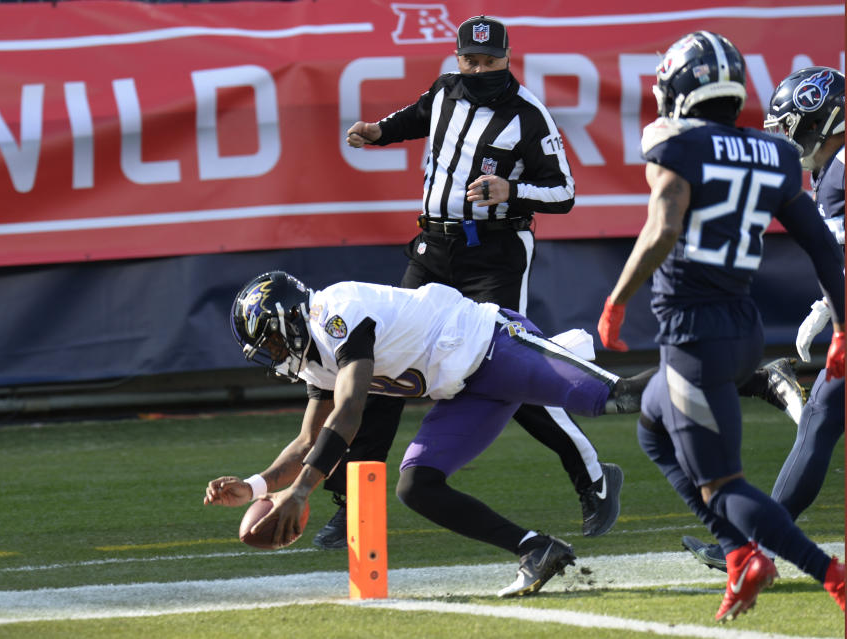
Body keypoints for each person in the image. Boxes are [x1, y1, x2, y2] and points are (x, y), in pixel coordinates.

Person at [327, 13, 623, 551]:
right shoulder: (445, 89)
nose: (479, 69)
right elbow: (418, 115)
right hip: (433, 247)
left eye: (490, 61)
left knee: (509, 370)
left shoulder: (529, 114)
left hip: (494, 253)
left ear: (508, 58)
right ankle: (353, 502)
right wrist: (380, 132)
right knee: (382, 366)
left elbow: (565, 193)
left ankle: (591, 474)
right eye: (470, 59)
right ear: (457, 56)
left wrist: (511, 190)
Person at [596, 32, 845, 622]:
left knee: (722, 483)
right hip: (742, 329)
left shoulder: (674, 142)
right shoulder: (776, 156)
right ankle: (738, 552)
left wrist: (615, 301)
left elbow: (661, 228)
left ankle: (823, 573)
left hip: (694, 331)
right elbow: (822, 248)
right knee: (654, 426)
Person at [207, 271, 649, 597]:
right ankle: (536, 549)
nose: (275, 355)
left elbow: (349, 413)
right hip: (466, 391)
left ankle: (703, 375)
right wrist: (254, 486)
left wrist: (302, 490)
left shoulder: (333, 312)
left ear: (288, 318)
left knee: (618, 397)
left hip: (495, 345)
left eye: (272, 342)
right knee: (417, 485)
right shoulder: (314, 359)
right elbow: (308, 440)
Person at [682, 66, 846, 573]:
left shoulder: (839, 171)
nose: (784, 136)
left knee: (820, 416)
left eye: (790, 124)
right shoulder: (833, 167)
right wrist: (828, 306)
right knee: (821, 416)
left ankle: (759, 545)